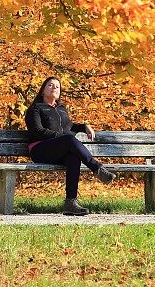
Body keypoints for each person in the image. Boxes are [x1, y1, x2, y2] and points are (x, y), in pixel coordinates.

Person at [25, 76, 116, 216]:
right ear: (43, 90)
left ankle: (70, 203)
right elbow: (37, 131)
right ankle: (97, 168)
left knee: (74, 158)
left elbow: (70, 127)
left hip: (58, 149)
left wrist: (84, 126)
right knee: (68, 140)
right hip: (40, 149)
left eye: (57, 86)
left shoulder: (61, 109)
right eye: (50, 85)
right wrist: (62, 137)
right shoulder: (35, 109)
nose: (54, 88)